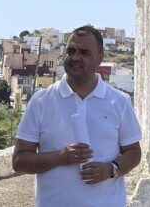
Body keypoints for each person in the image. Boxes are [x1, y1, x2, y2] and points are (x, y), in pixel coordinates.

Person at [13, 25, 142, 207]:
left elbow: (134, 153)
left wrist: (111, 169)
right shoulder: (41, 102)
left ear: (100, 58)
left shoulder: (119, 101)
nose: (75, 57)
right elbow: (19, 161)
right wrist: (58, 157)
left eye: (84, 52)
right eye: (71, 51)